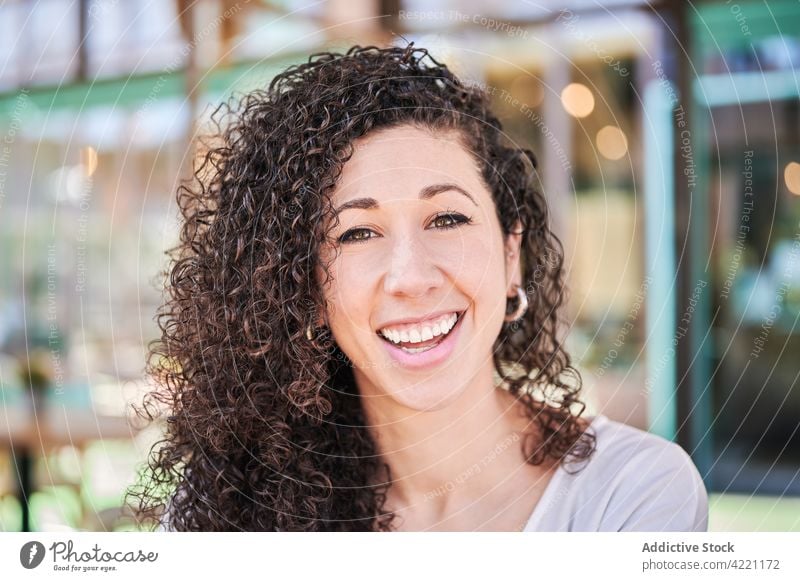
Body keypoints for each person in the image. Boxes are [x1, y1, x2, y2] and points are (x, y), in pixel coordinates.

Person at [130, 44, 708, 532]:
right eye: (357, 233)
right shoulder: (230, 507)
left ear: (511, 256)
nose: (410, 277)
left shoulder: (633, 496)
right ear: (299, 287)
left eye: (447, 219)